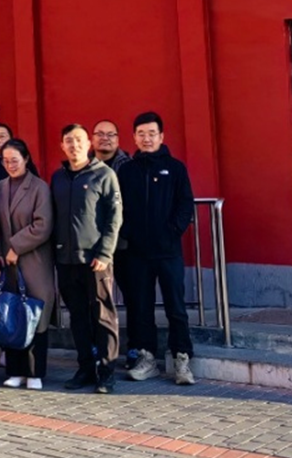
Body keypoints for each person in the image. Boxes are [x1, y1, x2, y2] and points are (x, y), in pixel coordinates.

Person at [119, 111, 196, 386]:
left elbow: (185, 203)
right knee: (142, 308)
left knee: (176, 307)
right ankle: (147, 358)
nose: (147, 138)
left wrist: (172, 230)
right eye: (141, 134)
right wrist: (129, 233)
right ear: (134, 137)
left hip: (168, 251)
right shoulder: (127, 170)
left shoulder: (175, 168)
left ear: (161, 136)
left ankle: (181, 359)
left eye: (152, 133)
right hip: (137, 253)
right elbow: (119, 206)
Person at [51, 123, 122, 393]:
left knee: (103, 316)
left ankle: (106, 371)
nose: (74, 145)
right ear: (62, 145)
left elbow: (115, 217)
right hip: (66, 259)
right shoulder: (58, 177)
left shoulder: (104, 174)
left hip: (96, 260)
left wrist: (105, 252)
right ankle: (85, 368)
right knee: (78, 317)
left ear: (89, 143)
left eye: (79, 140)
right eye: (69, 140)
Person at [0, 139, 54, 390]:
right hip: (8, 264)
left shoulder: (39, 187)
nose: (10, 165)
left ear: (26, 159)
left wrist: (16, 247)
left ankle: (35, 372)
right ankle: (16, 370)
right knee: (12, 315)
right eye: (5, 161)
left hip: (34, 261)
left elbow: (43, 225)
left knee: (35, 315)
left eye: (14, 160)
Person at [92, 118, 133, 365]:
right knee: (97, 301)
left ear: (118, 139)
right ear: (92, 138)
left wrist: (123, 234)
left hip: (125, 244)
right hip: (94, 247)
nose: (105, 138)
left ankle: (135, 350)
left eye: (110, 134)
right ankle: (98, 350)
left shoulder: (129, 167)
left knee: (133, 297)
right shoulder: (84, 166)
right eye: (100, 134)